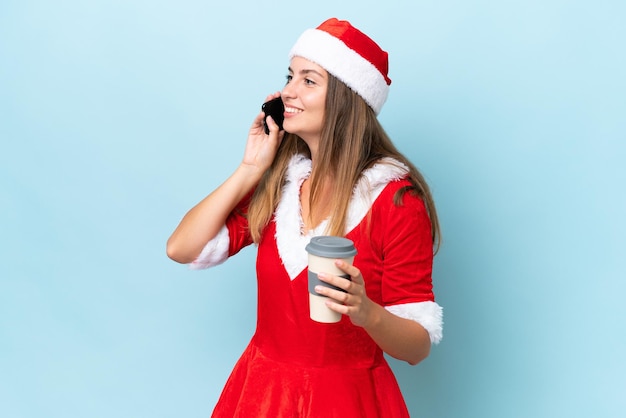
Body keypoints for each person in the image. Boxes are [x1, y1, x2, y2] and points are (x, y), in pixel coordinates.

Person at [167, 17, 443, 418]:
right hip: (262, 395)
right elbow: (181, 248)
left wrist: (365, 311)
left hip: (348, 401)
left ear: (347, 98)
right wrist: (249, 168)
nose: (287, 92)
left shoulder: (396, 202)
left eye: (308, 81)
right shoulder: (280, 185)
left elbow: (417, 346)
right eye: (289, 76)